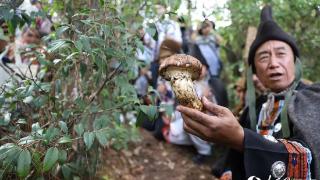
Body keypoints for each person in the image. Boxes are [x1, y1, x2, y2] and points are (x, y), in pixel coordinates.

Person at [177, 5, 319, 179]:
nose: (273, 63)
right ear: (255, 72)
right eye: (264, 57)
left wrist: (241, 138)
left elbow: (311, 159)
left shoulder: (313, 99)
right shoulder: (257, 106)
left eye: (281, 54)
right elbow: (233, 160)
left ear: (295, 62)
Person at [191, 19, 228, 107]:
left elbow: (222, 42)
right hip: (202, 72)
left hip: (214, 71)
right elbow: (191, 40)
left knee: (218, 90)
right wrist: (197, 28)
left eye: (206, 26)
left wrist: (211, 29)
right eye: (203, 27)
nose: (205, 28)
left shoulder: (213, 37)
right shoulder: (198, 39)